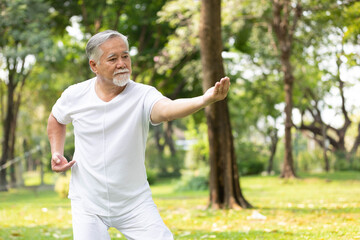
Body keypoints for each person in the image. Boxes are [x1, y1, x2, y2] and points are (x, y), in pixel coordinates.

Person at [47, 29, 230, 240]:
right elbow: (56, 119)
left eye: (125, 56)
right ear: (94, 66)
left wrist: (204, 100)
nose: (122, 63)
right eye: (113, 58)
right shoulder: (75, 95)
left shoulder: (143, 94)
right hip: (88, 202)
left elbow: (167, 109)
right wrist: (56, 152)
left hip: (133, 203)